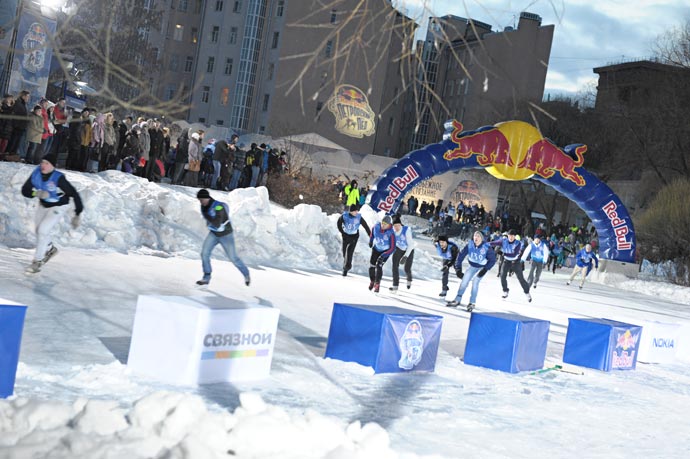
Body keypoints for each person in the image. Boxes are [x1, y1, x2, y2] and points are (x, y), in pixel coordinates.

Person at [21, 153, 83, 273]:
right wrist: (36, 193)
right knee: (39, 231)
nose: (43, 165)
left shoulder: (58, 178)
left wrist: (77, 214)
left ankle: (37, 262)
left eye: (47, 163)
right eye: (42, 162)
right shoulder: (36, 173)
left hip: (58, 206)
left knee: (43, 230)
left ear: (53, 166)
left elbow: (74, 193)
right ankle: (50, 248)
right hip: (43, 205)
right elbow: (25, 190)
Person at [195, 189, 250, 286]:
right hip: (214, 234)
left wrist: (209, 218)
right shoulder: (203, 207)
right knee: (204, 253)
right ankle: (206, 277)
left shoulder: (219, 206)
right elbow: (211, 221)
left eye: (202, 199)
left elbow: (217, 222)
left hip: (226, 235)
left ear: (207, 198)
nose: (201, 202)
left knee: (233, 258)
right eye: (199, 200)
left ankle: (246, 274)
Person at [446, 231, 497, 312]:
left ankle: (472, 303)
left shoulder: (486, 247)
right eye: (475, 236)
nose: (476, 238)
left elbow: (493, 260)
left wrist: (485, 269)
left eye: (478, 236)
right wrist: (458, 268)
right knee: (464, 281)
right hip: (472, 266)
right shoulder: (470, 245)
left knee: (475, 282)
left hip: (481, 267)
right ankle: (457, 299)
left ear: (482, 239)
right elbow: (461, 256)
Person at [490, 229, 532, 301]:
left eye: (512, 236)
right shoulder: (504, 241)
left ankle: (527, 292)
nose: (511, 237)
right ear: (507, 236)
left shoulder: (517, 243)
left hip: (515, 262)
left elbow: (514, 254)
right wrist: (484, 243)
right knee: (502, 276)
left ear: (515, 236)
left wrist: (503, 253)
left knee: (521, 279)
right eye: (509, 236)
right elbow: (494, 243)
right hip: (506, 261)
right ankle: (505, 290)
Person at [336, 204, 371, 277]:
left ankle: (346, 268)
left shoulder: (359, 217)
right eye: (355, 211)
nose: (356, 212)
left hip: (354, 237)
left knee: (349, 252)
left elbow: (365, 226)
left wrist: (370, 235)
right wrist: (342, 232)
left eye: (357, 211)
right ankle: (347, 265)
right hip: (346, 236)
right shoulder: (344, 216)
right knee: (344, 252)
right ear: (351, 211)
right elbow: (339, 224)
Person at [367, 215, 396, 293]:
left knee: (379, 265)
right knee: (371, 266)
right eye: (382, 223)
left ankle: (377, 284)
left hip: (385, 252)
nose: (383, 225)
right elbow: (372, 233)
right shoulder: (376, 227)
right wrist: (371, 241)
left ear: (389, 225)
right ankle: (372, 281)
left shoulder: (391, 233)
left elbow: (393, 248)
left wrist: (383, 255)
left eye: (385, 224)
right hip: (376, 249)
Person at [389, 215, 415, 291]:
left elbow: (411, 245)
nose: (397, 227)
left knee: (407, 268)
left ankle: (409, 279)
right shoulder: (392, 231)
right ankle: (395, 286)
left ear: (401, 225)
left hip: (409, 249)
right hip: (399, 249)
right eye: (395, 226)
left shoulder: (406, 230)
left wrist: (405, 256)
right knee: (394, 266)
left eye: (398, 225)